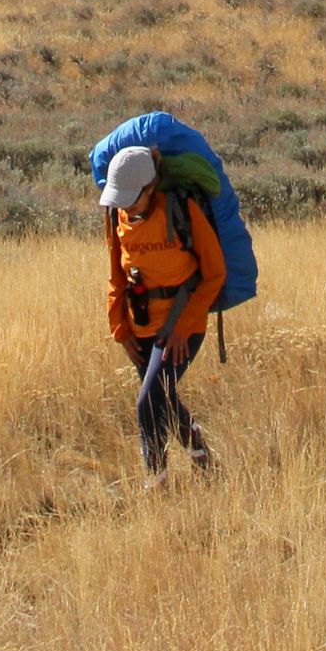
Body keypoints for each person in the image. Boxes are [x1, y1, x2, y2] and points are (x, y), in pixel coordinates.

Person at [99, 143, 227, 484]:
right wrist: (120, 330)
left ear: (151, 186)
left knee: (148, 402)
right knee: (164, 399)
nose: (124, 203)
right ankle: (205, 463)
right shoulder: (115, 215)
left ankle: (156, 485)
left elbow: (214, 273)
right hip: (140, 326)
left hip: (182, 327)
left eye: (131, 196)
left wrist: (184, 327)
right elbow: (116, 277)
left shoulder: (181, 209)